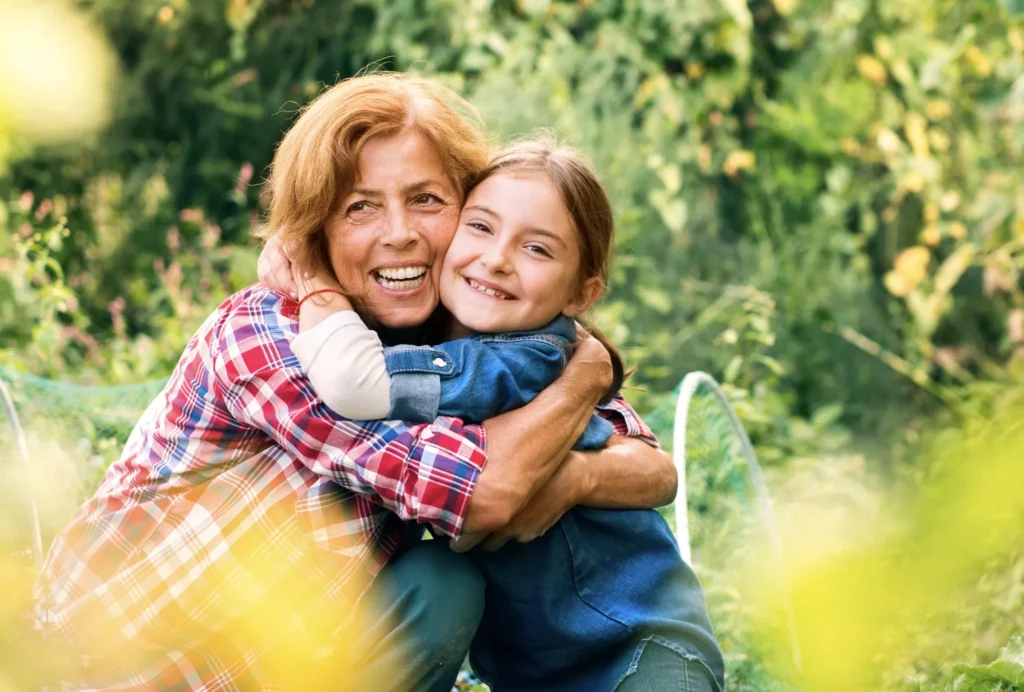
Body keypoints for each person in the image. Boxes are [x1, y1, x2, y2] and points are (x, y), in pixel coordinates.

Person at [34, 73, 678, 691]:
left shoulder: (452, 339)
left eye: (426, 200)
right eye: (359, 208)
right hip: (107, 669)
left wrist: (579, 467)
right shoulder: (275, 337)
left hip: (280, 660)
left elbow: (650, 466)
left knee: (439, 586)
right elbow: (485, 493)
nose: (398, 234)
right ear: (315, 225)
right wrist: (581, 379)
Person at [268, 136, 724, 691]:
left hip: (634, 648)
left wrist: (312, 276)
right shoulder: (446, 337)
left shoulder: (528, 357)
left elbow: (355, 381)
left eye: (537, 249)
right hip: (529, 673)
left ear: (581, 293)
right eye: (481, 227)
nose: (497, 260)